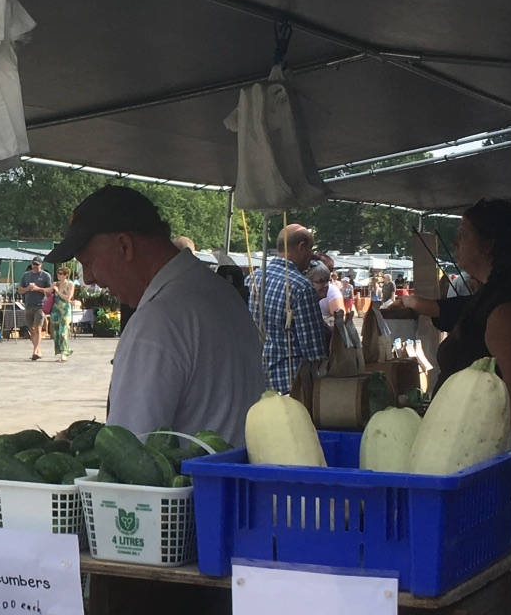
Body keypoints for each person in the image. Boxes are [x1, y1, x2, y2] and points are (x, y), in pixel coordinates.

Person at [48, 186, 263, 440]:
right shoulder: (218, 290)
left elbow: (129, 446)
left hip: (196, 467)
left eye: (88, 263)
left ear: (125, 246)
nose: (88, 278)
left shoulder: (156, 320)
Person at [405, 198, 511, 544]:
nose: (456, 242)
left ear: (489, 244)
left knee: (490, 554)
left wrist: (491, 454)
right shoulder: (495, 289)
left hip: (497, 455)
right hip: (478, 452)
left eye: (464, 234)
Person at [249, 224, 329, 393]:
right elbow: (314, 353)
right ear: (302, 247)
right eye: (310, 249)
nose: (311, 255)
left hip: (255, 380)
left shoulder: (252, 278)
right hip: (290, 385)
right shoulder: (301, 287)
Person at [18, 259, 53, 359]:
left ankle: (35, 351)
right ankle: (38, 349)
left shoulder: (45, 276)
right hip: (28, 305)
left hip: (40, 305)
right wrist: (27, 289)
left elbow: (50, 291)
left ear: (41, 265)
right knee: (31, 329)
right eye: (34, 264)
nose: (35, 266)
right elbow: (19, 289)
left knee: (38, 328)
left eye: (37, 264)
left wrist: (37, 289)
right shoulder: (26, 275)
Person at [50, 262, 77, 359]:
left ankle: (64, 352)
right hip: (55, 310)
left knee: (63, 331)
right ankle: (61, 350)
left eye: (61, 273)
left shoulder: (70, 284)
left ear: (66, 275)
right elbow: (48, 292)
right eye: (58, 273)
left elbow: (67, 298)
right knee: (56, 333)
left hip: (65, 310)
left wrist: (57, 292)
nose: (58, 275)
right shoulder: (55, 284)